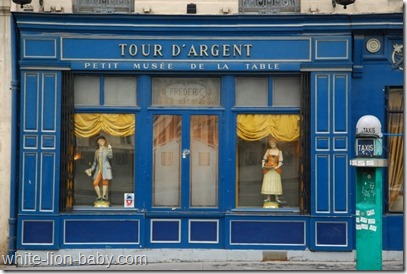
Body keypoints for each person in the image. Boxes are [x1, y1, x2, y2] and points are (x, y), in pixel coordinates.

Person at [85, 135, 113, 202]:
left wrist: (110, 149)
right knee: (95, 183)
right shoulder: (96, 152)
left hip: (106, 168)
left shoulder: (106, 149)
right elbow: (95, 162)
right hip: (99, 169)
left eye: (103, 140)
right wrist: (91, 169)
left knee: (105, 182)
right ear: (98, 142)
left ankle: (104, 196)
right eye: (101, 140)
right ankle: (99, 196)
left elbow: (110, 156)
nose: (102, 141)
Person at [261, 137, 283, 203]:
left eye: (273, 144)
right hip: (268, 168)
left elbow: (280, 161)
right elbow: (264, 159)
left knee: (275, 182)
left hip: (275, 169)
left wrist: (277, 167)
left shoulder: (279, 152)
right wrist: (263, 165)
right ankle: (268, 197)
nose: (272, 145)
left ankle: (277, 197)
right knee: (268, 182)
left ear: (276, 144)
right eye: (271, 144)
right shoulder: (268, 151)